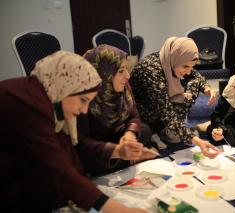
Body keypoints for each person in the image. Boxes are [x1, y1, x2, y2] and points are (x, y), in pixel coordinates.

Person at [0, 51, 147, 213]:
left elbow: (73, 148)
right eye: (83, 101)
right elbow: (57, 167)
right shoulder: (31, 104)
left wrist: (118, 151)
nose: (84, 110)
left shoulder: (49, 96)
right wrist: (119, 210)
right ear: (65, 87)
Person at [130, 37, 219, 158]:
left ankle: (173, 132)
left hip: (162, 111)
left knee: (195, 82)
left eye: (191, 67)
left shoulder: (170, 58)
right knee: (166, 134)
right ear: (177, 57)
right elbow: (167, 114)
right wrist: (197, 141)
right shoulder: (151, 70)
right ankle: (164, 132)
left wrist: (207, 88)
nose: (188, 72)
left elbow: (195, 75)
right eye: (185, 67)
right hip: (146, 116)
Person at [77, 44, 156, 176]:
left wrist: (129, 135)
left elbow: (134, 115)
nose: (127, 76)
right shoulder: (84, 97)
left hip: (115, 136)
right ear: (104, 73)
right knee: (90, 164)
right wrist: (117, 150)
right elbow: (82, 144)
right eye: (121, 71)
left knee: (144, 130)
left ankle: (126, 157)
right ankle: (128, 160)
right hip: (96, 146)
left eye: (126, 69)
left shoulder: (123, 85)